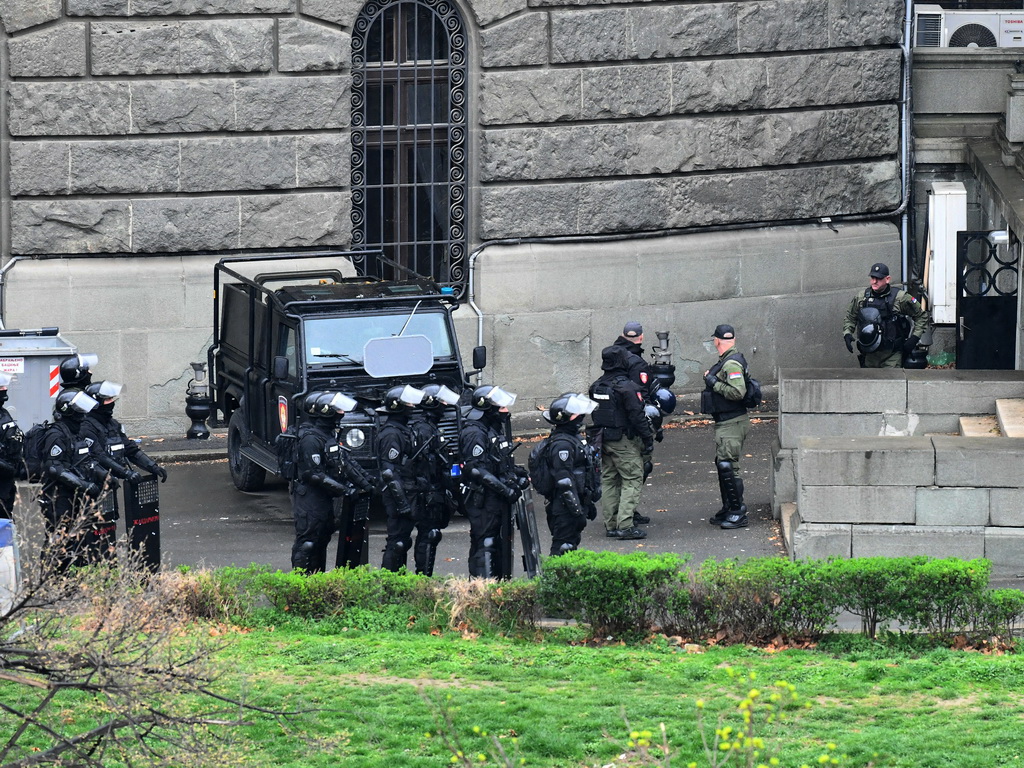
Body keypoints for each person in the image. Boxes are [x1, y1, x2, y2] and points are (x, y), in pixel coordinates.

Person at [291, 391, 362, 572]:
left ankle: (318, 581)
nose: (342, 413)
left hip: (323, 498)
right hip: (309, 498)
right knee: (308, 541)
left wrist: (367, 485)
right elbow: (314, 474)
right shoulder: (310, 439)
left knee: (322, 538)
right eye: (337, 409)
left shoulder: (327, 435)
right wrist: (344, 490)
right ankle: (300, 584)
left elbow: (345, 462)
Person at [459, 385, 525, 578]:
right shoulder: (474, 433)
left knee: (496, 540)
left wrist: (517, 475)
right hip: (482, 497)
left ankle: (497, 584)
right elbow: (477, 469)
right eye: (501, 407)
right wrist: (505, 490)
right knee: (485, 541)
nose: (505, 411)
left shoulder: (492, 430)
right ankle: (484, 590)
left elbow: (499, 462)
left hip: (493, 497)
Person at [589, 346, 654, 540]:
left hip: (602, 439)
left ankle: (611, 524)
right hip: (623, 440)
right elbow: (637, 416)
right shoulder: (627, 387)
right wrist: (648, 438)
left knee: (609, 479)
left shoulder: (596, 386)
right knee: (633, 477)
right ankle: (625, 525)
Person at [39, 389, 105, 571]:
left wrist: (104, 476)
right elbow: (55, 468)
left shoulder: (76, 432)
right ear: (68, 411)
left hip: (75, 496)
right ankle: (51, 578)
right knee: (58, 537)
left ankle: (72, 573)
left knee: (77, 536)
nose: (83, 415)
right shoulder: (56, 434)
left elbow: (87, 459)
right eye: (79, 411)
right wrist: (85, 485)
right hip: (58, 497)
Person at [535, 393, 600, 556]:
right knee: (563, 546)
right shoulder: (562, 444)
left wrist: (587, 501)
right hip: (564, 506)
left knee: (571, 543)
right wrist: (576, 510)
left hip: (573, 501)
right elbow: (564, 480)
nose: (582, 416)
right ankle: (555, 579)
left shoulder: (573, 438)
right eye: (577, 413)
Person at [701, 324, 752, 530]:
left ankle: (738, 512)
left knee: (729, 466)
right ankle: (729, 507)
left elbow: (738, 392)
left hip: (732, 422)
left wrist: (713, 382)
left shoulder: (731, 364)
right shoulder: (728, 360)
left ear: (717, 340)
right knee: (723, 464)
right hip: (728, 422)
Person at [409, 383, 461, 576]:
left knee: (432, 533)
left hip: (435, 487)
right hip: (427, 490)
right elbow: (421, 464)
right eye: (442, 401)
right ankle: (423, 577)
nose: (446, 404)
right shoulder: (423, 430)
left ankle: (425, 576)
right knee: (428, 533)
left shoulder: (431, 428)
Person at [378, 384, 427, 572]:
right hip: (398, 494)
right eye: (408, 403)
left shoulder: (402, 429)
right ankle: (391, 586)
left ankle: (401, 583)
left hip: (408, 490)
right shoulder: (392, 433)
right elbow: (389, 472)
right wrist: (402, 503)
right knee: (397, 542)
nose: (412, 406)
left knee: (403, 541)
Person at [843, 263, 928, 368]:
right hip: (869, 354)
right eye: (872, 277)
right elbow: (850, 317)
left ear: (887, 279)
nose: (874, 281)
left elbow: (921, 316)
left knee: (891, 383)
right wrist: (847, 333)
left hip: (892, 355)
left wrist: (914, 338)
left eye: (878, 278)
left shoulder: (900, 297)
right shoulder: (862, 297)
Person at [0, 374, 24, 520]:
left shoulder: (4, 413)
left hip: (5, 487)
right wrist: (9, 468)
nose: (5, 389)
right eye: (0, 387)